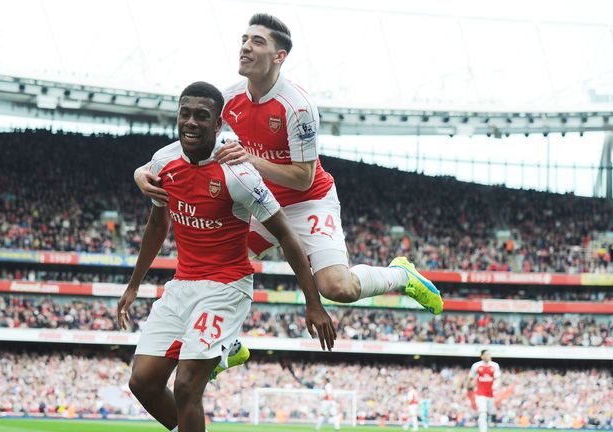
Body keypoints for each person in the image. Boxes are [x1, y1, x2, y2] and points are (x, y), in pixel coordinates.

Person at [133, 13, 443, 376]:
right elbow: (191, 139)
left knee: (336, 288)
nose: (246, 46)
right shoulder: (229, 98)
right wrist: (143, 170)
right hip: (261, 201)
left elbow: (302, 177)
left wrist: (252, 158)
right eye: (244, 39)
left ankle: (401, 275)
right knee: (219, 265)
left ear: (279, 57)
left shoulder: (298, 107)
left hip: (307, 200)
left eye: (258, 41)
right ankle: (227, 345)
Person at [118, 81, 336, 432]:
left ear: (218, 124)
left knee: (187, 386)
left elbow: (286, 235)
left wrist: (313, 302)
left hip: (226, 287)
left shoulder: (238, 173)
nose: (191, 122)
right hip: (182, 285)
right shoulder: (163, 162)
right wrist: (133, 286)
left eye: (201, 116)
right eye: (184, 114)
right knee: (142, 383)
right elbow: (157, 226)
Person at [465, 349, 501, 432]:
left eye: (490, 354)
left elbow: (498, 378)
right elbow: (470, 378)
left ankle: (485, 428)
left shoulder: (495, 365)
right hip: (480, 394)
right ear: (482, 356)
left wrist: (496, 385)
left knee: (488, 414)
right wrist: (466, 388)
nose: (489, 356)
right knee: (482, 413)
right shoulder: (476, 366)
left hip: (490, 394)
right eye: (487, 354)